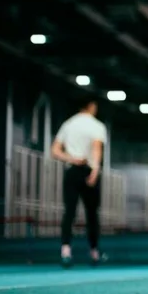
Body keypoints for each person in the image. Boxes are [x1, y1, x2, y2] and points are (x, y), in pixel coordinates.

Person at [50, 96, 107, 267]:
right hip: (89, 171)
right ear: (91, 106)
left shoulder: (68, 124)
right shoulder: (97, 125)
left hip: (72, 171)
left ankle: (66, 251)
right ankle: (94, 253)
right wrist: (95, 171)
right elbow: (96, 148)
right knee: (92, 214)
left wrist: (72, 159)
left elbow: (55, 150)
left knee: (69, 212)